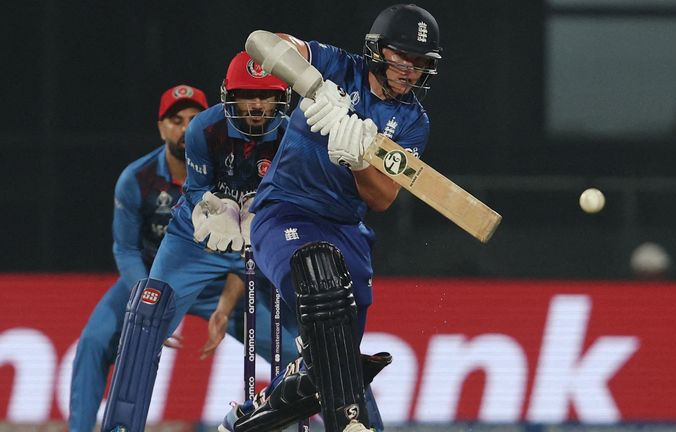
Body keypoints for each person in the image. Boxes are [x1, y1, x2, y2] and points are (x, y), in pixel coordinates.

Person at [220, 4, 444, 432]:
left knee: (335, 361)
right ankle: (349, 423)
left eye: (420, 63)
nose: (410, 70)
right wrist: (316, 87)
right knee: (320, 283)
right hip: (283, 212)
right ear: (379, 50)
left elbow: (383, 199)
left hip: (347, 231)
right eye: (403, 57)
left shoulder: (413, 122)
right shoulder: (338, 65)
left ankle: (258, 411)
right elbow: (262, 42)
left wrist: (359, 158)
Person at [99, 54, 299, 432]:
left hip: (261, 237)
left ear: (281, 98)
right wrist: (210, 208)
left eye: (267, 96)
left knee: (304, 343)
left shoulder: (293, 133)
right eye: (247, 96)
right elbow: (194, 191)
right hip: (196, 240)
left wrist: (268, 214)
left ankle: (356, 420)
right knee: (145, 325)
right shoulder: (204, 129)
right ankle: (121, 427)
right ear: (230, 96)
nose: (257, 106)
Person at [69, 85, 253, 432]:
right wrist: (147, 304)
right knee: (93, 342)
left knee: (296, 351)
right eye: (175, 120)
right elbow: (125, 249)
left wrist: (225, 307)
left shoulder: (229, 174)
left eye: (194, 119)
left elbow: (244, 252)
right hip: (155, 279)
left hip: (219, 287)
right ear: (160, 127)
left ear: (208, 126)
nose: (185, 128)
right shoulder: (137, 180)